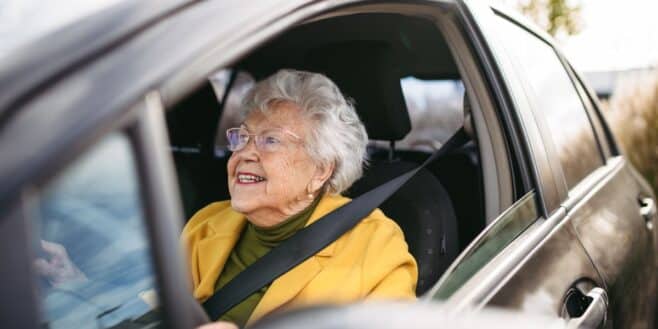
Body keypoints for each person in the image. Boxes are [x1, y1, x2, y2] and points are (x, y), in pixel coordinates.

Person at [182, 69, 418, 328]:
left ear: (321, 170)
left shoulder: (374, 245)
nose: (245, 153)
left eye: (270, 140)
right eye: (243, 137)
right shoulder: (205, 224)